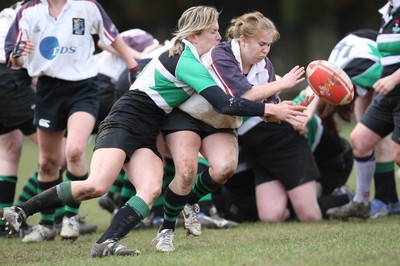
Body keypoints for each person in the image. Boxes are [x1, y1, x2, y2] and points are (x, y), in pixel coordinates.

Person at [1, 5, 308, 257]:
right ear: (196, 33)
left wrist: (283, 107)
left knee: (151, 189)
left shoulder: (194, 59)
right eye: (214, 30)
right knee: (96, 185)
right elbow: (226, 104)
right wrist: (271, 108)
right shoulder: (185, 60)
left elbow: (236, 96)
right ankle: (20, 210)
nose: (219, 35)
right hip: (125, 120)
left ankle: (106, 242)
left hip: (147, 128)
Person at [152, 11, 315, 253]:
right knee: (186, 172)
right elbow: (238, 96)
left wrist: (290, 111)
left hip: (222, 122)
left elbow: (266, 109)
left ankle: (191, 202)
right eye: (261, 44)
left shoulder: (265, 67)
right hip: (188, 116)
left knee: (224, 168)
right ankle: (165, 231)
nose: (265, 50)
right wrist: (282, 85)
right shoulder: (221, 53)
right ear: (242, 39)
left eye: (269, 45)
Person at [4, 0, 139, 242]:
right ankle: (47, 224)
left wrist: (133, 65)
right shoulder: (28, 11)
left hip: (84, 89)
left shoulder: (86, 6)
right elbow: (13, 58)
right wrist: (17, 55)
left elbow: (111, 36)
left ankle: (71, 217)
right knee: (47, 162)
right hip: (46, 89)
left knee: (75, 151)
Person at [327, 0, 400, 220]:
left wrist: (394, 79)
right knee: (360, 139)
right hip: (388, 93)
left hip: (395, 85)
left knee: (398, 154)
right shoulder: (388, 11)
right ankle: (361, 203)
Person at [0, 0, 38, 237]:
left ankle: (4, 224)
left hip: (6, 79)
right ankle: (19, 213)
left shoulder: (10, 11)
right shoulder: (38, 10)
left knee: (9, 151)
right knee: (61, 152)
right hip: (9, 79)